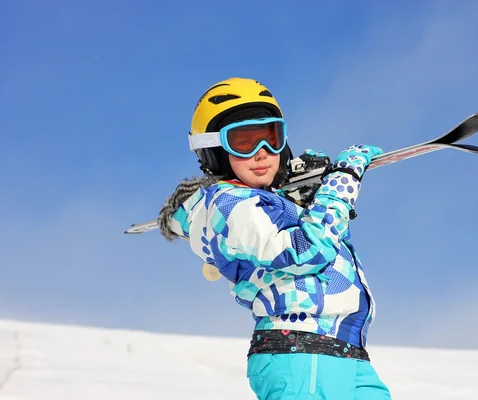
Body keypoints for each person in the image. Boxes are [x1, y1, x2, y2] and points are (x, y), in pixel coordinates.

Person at [158, 77, 391, 399]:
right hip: (301, 350)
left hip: (343, 349)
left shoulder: (261, 204)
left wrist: (305, 195)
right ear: (213, 150)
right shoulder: (228, 203)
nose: (262, 153)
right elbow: (308, 251)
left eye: (271, 138)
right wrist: (340, 183)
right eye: (244, 142)